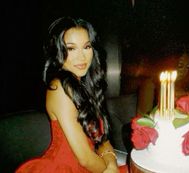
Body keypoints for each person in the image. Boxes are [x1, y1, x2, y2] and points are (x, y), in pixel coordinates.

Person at [15, 16, 128, 173]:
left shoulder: (85, 85)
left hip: (95, 164)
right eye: (71, 48)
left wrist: (112, 164)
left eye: (86, 47)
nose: (81, 57)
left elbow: (102, 140)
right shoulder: (59, 88)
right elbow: (85, 159)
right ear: (58, 52)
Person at [121, 50, 189, 115]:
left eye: (187, 66)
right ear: (169, 63)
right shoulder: (150, 84)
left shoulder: (183, 85)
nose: (184, 71)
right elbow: (143, 118)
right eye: (180, 66)